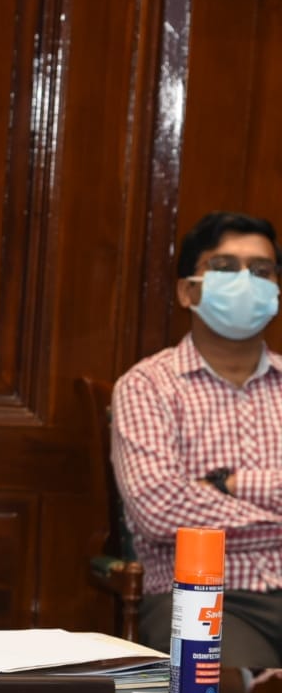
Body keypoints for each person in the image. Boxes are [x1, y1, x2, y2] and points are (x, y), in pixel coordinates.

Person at [112, 211, 282, 667]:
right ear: (188, 291)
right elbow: (160, 508)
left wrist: (231, 484)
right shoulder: (147, 386)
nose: (246, 281)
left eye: (261, 270)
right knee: (221, 690)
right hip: (202, 594)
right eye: (224, 267)